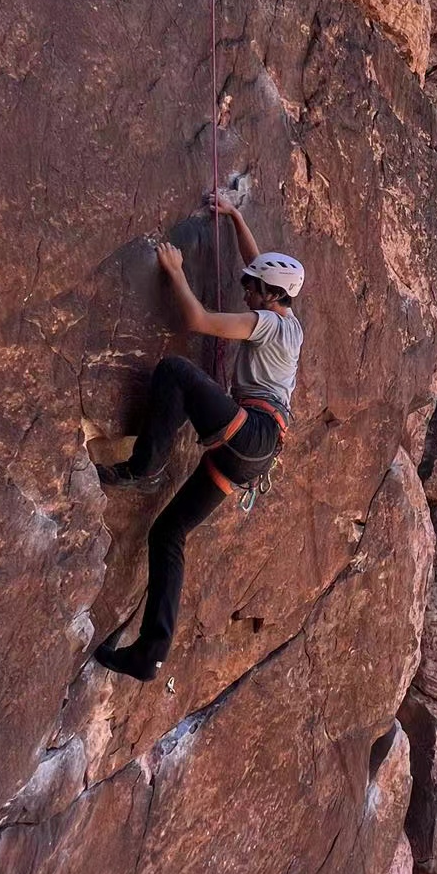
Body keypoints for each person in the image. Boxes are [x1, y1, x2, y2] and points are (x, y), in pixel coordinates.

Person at [94, 191, 305, 681]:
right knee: (167, 533)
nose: (246, 291)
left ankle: (144, 467)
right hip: (254, 454)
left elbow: (198, 321)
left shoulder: (264, 323)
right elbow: (259, 263)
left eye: (253, 288)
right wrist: (235, 217)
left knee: (174, 370)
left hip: (251, 431)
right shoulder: (290, 321)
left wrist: (175, 272)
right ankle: (150, 654)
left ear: (272, 296)